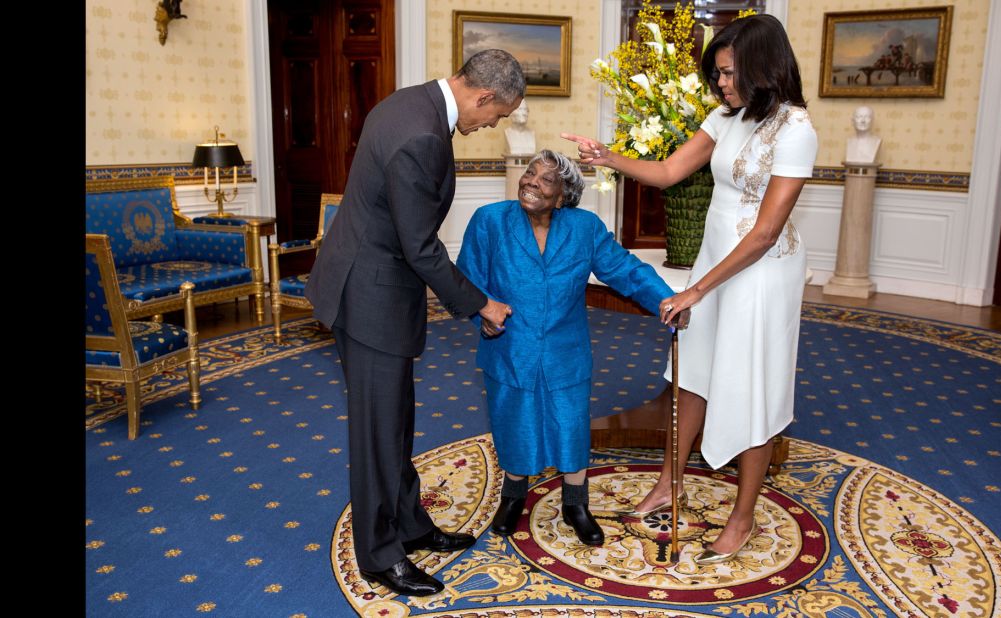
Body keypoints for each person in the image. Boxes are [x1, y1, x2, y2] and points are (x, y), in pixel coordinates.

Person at [562, 13, 818, 564]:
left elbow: (766, 231)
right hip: (716, 258)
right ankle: (669, 482)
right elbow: (670, 171)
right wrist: (608, 157)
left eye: (728, 73)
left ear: (761, 65)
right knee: (691, 372)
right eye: (718, 74)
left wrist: (696, 290)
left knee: (753, 386)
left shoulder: (797, 129)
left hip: (764, 273)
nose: (721, 84)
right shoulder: (725, 118)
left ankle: (743, 515)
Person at [305, 49, 524, 597]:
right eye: (494, 116)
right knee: (379, 432)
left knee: (395, 421)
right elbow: (421, 249)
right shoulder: (423, 134)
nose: (490, 126)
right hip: (369, 296)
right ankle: (381, 555)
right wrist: (482, 304)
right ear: (482, 96)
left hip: (369, 280)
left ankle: (409, 524)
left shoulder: (410, 100)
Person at [456, 150, 683, 546]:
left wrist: (667, 300)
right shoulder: (489, 221)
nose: (531, 182)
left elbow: (625, 270)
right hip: (509, 346)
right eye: (530, 173)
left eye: (545, 180)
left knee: (571, 424)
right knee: (513, 420)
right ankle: (513, 496)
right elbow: (466, 279)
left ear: (563, 197)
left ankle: (576, 504)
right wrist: (483, 317)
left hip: (566, 350)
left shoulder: (584, 228)